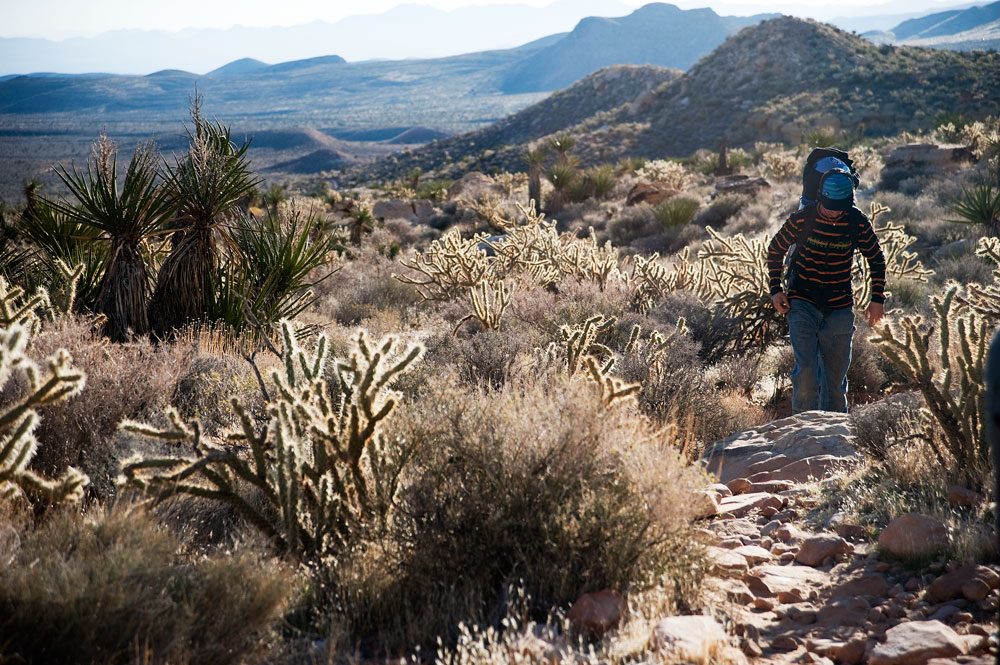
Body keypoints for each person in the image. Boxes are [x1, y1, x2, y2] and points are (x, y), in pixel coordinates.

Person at [767, 169, 886, 413]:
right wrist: (776, 290)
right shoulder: (803, 219)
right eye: (830, 206)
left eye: (840, 207)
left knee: (835, 382)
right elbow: (776, 248)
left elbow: (876, 258)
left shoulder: (856, 222)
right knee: (806, 373)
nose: (834, 212)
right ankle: (803, 428)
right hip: (802, 301)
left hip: (839, 306)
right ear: (820, 196)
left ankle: (832, 431)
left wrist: (877, 299)